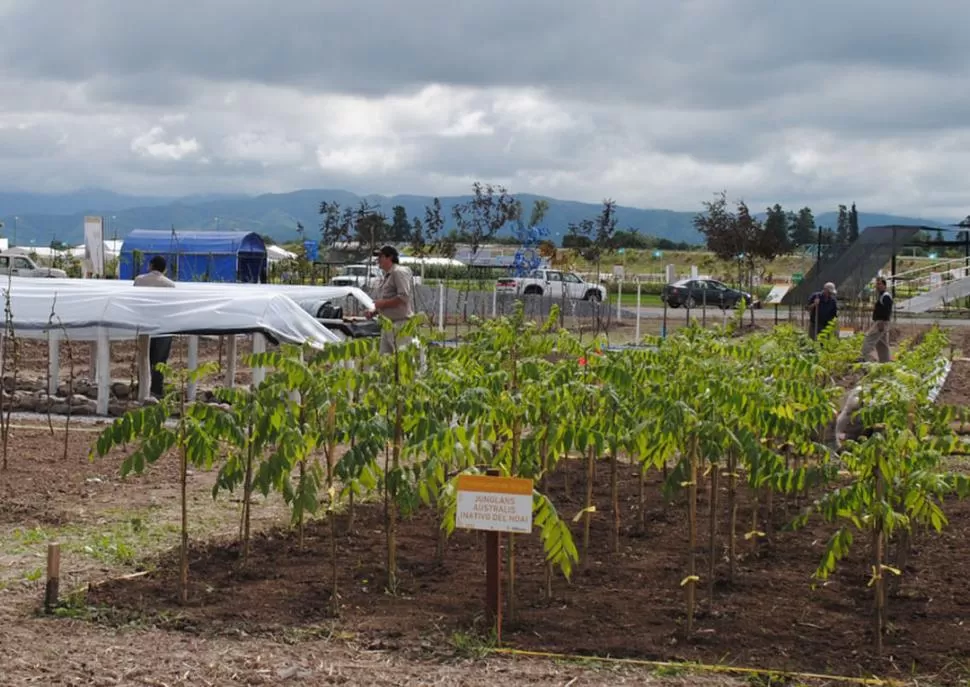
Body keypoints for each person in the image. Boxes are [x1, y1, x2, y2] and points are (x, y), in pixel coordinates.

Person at [133, 255, 176, 396]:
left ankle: (143, 388)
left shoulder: (139, 280)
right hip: (163, 326)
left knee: (144, 358)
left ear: (151, 265)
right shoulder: (170, 284)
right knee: (159, 360)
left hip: (143, 324)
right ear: (164, 269)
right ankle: (157, 391)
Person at [365, 245, 414, 354]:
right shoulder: (387, 275)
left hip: (400, 324)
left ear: (389, 257)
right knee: (384, 360)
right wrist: (375, 312)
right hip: (387, 324)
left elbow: (404, 297)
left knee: (402, 360)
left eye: (381, 256)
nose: (378, 260)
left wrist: (382, 303)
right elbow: (388, 299)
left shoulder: (398, 272)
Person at [860, 276, 893, 362]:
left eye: (880, 284)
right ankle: (885, 362)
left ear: (885, 286)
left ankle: (866, 359)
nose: (878, 286)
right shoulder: (882, 296)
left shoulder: (885, 296)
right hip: (882, 322)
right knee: (882, 344)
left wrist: (882, 321)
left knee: (869, 340)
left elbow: (887, 310)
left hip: (880, 322)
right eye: (877, 284)